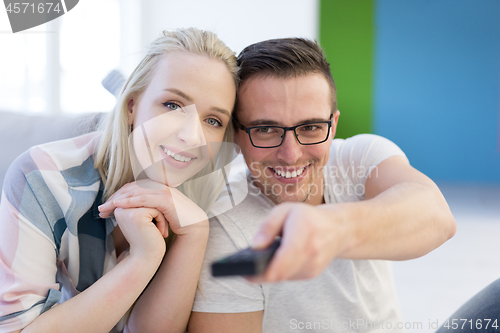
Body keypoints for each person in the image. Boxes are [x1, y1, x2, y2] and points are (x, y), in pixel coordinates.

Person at [186, 38, 457, 332]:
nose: (291, 154)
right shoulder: (224, 224)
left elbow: (437, 217)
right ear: (236, 135)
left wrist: (333, 229)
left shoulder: (361, 157)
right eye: (265, 129)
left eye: (311, 127)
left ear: (334, 126)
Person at [0, 28, 238, 333]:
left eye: (213, 121)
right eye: (173, 105)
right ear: (131, 106)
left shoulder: (213, 201)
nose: (191, 136)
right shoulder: (41, 178)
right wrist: (143, 258)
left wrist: (194, 235)